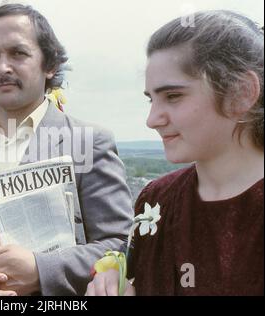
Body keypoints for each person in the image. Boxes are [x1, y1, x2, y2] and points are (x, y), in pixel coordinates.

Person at [0, 4, 133, 296]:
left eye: (18, 53)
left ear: (50, 65)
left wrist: (41, 270)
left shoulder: (89, 141)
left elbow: (119, 244)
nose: (3, 67)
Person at [86, 10, 264, 296]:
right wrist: (110, 275)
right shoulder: (156, 199)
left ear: (242, 92)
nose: (152, 119)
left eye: (173, 96)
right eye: (151, 100)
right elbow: (126, 262)